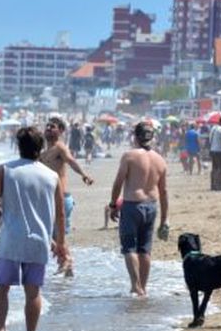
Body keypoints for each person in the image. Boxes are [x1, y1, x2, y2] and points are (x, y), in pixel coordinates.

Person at [0, 126, 66, 331]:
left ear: (18, 146)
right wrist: (60, 243)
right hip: (39, 241)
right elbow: (60, 213)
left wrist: (4, 221)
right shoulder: (52, 176)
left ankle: (1, 330)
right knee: (33, 293)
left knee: (2, 287)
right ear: (40, 148)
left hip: (11, 239)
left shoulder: (5, 170)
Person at [108, 121, 168, 297]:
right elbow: (164, 191)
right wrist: (165, 219)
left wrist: (113, 205)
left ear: (135, 136)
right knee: (145, 249)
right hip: (151, 206)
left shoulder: (129, 156)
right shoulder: (160, 159)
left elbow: (118, 182)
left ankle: (135, 286)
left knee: (129, 247)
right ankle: (144, 287)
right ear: (152, 137)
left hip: (132, 205)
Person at [40, 118, 94, 274]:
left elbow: (71, 161)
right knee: (53, 235)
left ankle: (67, 260)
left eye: (53, 127)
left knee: (56, 236)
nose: (49, 128)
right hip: (48, 199)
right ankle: (66, 266)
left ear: (61, 131)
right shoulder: (43, 152)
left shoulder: (60, 148)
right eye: (47, 126)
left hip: (61, 198)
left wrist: (84, 174)